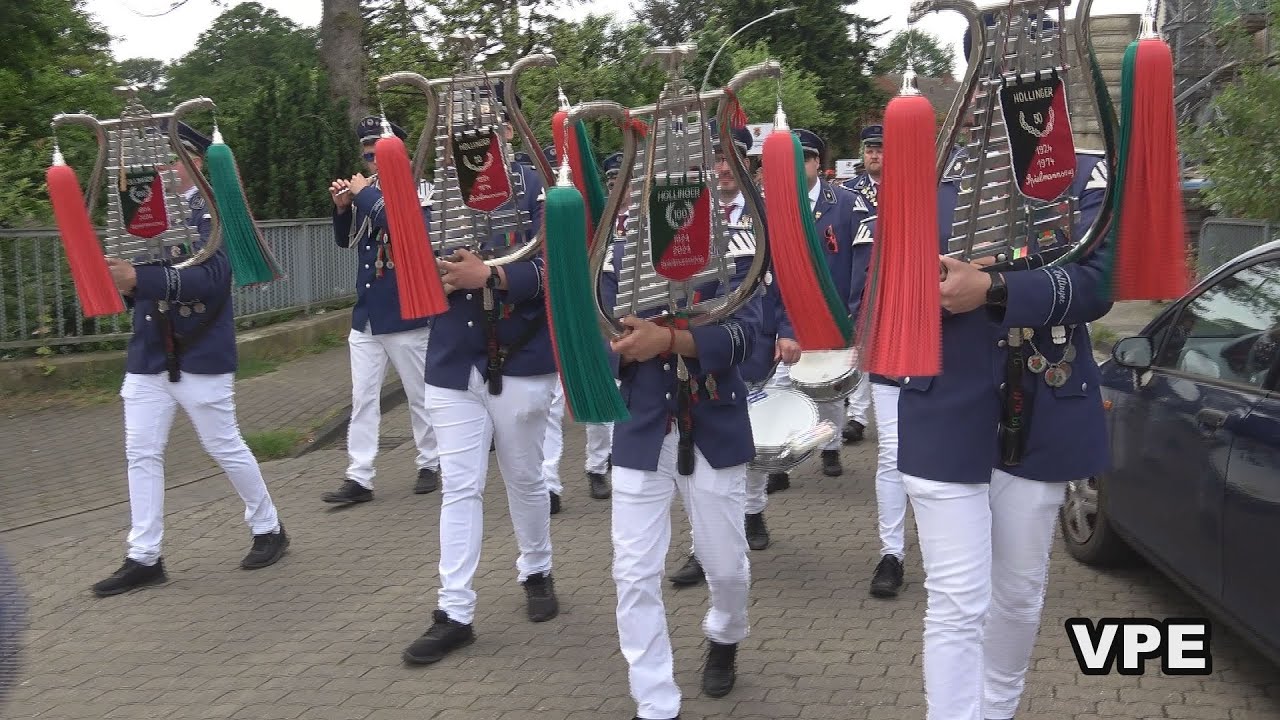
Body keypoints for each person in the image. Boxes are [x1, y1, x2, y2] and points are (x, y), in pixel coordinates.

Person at [895, 146, 1110, 720]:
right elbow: (876, 297)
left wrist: (994, 288)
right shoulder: (925, 174)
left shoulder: (1084, 173)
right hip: (944, 407)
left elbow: (1098, 281)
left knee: (1016, 596)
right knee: (958, 602)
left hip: (1041, 407)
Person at [91, 124, 288, 597]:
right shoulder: (141, 214)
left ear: (197, 163)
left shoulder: (211, 213)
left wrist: (137, 279)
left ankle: (269, 528)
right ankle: (144, 556)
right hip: (149, 354)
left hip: (200, 351)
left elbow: (212, 279)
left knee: (224, 446)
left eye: (171, 160)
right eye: (158, 162)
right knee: (140, 453)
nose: (163, 170)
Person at [600, 147, 763, 718]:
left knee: (725, 565)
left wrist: (671, 340)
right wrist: (617, 345)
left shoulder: (737, 248)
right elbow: (596, 336)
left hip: (713, 422)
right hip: (642, 425)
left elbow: (750, 339)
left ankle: (725, 632)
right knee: (633, 569)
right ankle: (655, 699)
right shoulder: (620, 254)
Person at [400, 96, 561, 666]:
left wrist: (490, 274)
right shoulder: (437, 198)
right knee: (460, 485)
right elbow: (410, 265)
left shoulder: (539, 188)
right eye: (456, 134)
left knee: (523, 477)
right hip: (452, 363)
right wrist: (428, 282)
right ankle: (454, 610)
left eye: (479, 129)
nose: (467, 141)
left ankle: (536, 568)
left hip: (520, 358)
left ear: (503, 132)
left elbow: (560, 267)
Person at [668, 125, 793, 589]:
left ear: (747, 164)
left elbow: (785, 280)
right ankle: (707, 548)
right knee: (697, 453)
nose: (722, 167)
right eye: (715, 158)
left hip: (751, 342)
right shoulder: (683, 211)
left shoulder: (764, 216)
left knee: (746, 445)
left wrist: (787, 331)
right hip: (693, 351)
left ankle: (752, 513)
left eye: (731, 158)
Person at [844, 147, 967, 600]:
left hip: (946, 353)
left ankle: (948, 553)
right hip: (892, 353)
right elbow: (859, 289)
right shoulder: (870, 227)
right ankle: (891, 552)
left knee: (949, 454)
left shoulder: (955, 219)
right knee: (894, 456)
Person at [321, 116, 441, 505]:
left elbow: (409, 232)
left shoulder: (421, 190)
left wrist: (366, 197)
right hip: (368, 312)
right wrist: (342, 208)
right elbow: (347, 241)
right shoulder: (367, 192)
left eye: (378, 152)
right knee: (363, 397)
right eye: (367, 154)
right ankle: (360, 475)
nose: (371, 160)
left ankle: (430, 461)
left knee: (419, 392)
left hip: (406, 309)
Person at [537, 142, 614, 509]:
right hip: (561, 320)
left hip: (614, 323)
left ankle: (598, 465)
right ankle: (549, 484)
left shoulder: (629, 220)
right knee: (551, 407)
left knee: (606, 407)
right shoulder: (564, 211)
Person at [790, 128, 862, 477]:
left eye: (804, 157)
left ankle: (830, 447)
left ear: (818, 162)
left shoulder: (844, 202)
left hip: (832, 307)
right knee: (786, 385)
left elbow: (856, 258)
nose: (797, 164)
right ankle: (785, 457)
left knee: (829, 387)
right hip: (790, 308)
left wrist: (850, 308)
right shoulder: (775, 201)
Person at [839, 124, 886, 445]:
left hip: (893, 274)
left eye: (880, 150)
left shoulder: (903, 186)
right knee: (859, 345)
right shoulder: (848, 190)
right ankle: (856, 415)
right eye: (870, 151)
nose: (874, 156)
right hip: (860, 275)